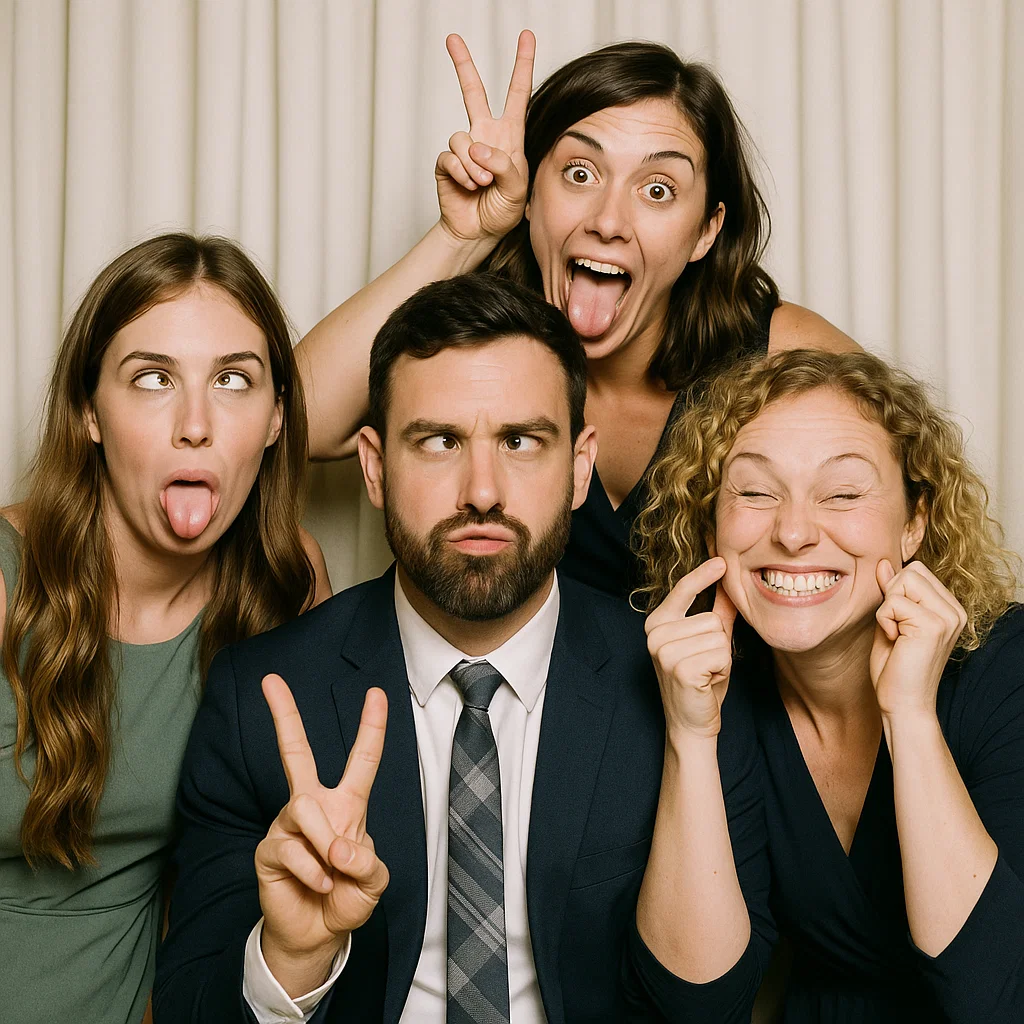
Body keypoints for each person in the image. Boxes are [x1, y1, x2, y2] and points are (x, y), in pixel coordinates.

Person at [153, 273, 774, 1023]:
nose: (482, 490)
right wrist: (290, 959)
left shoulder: (679, 690)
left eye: (520, 441)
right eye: (440, 441)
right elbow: (192, 1005)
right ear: (376, 468)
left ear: (579, 466)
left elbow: (709, 1007)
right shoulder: (264, 697)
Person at [295, 31, 856, 599]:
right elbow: (292, 422)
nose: (608, 221)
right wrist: (465, 235)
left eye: (657, 189)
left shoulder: (781, 353)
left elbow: (904, 516)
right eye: (580, 174)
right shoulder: (476, 348)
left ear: (705, 231)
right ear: (531, 194)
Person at [631, 348, 1023, 1022]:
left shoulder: (1005, 671)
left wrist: (911, 717)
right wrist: (691, 738)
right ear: (710, 524)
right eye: (754, 492)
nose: (791, 532)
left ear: (914, 524)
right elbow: (695, 1006)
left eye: (843, 494)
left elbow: (993, 997)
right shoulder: (714, 690)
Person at [0, 233, 331, 1024]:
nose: (195, 424)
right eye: (152, 379)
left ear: (278, 418)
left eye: (233, 381)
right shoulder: (8, 582)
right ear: (89, 412)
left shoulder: (284, 587)